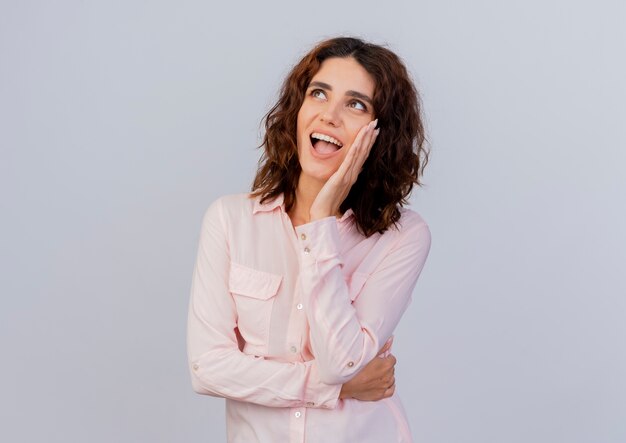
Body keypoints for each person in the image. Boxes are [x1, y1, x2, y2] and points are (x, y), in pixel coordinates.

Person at [187, 36, 431, 443]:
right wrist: (333, 390)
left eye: (357, 104)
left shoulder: (403, 236)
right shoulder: (230, 220)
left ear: (381, 133)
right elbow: (207, 368)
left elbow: (341, 361)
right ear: (297, 110)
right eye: (319, 93)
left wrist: (319, 224)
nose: (330, 116)